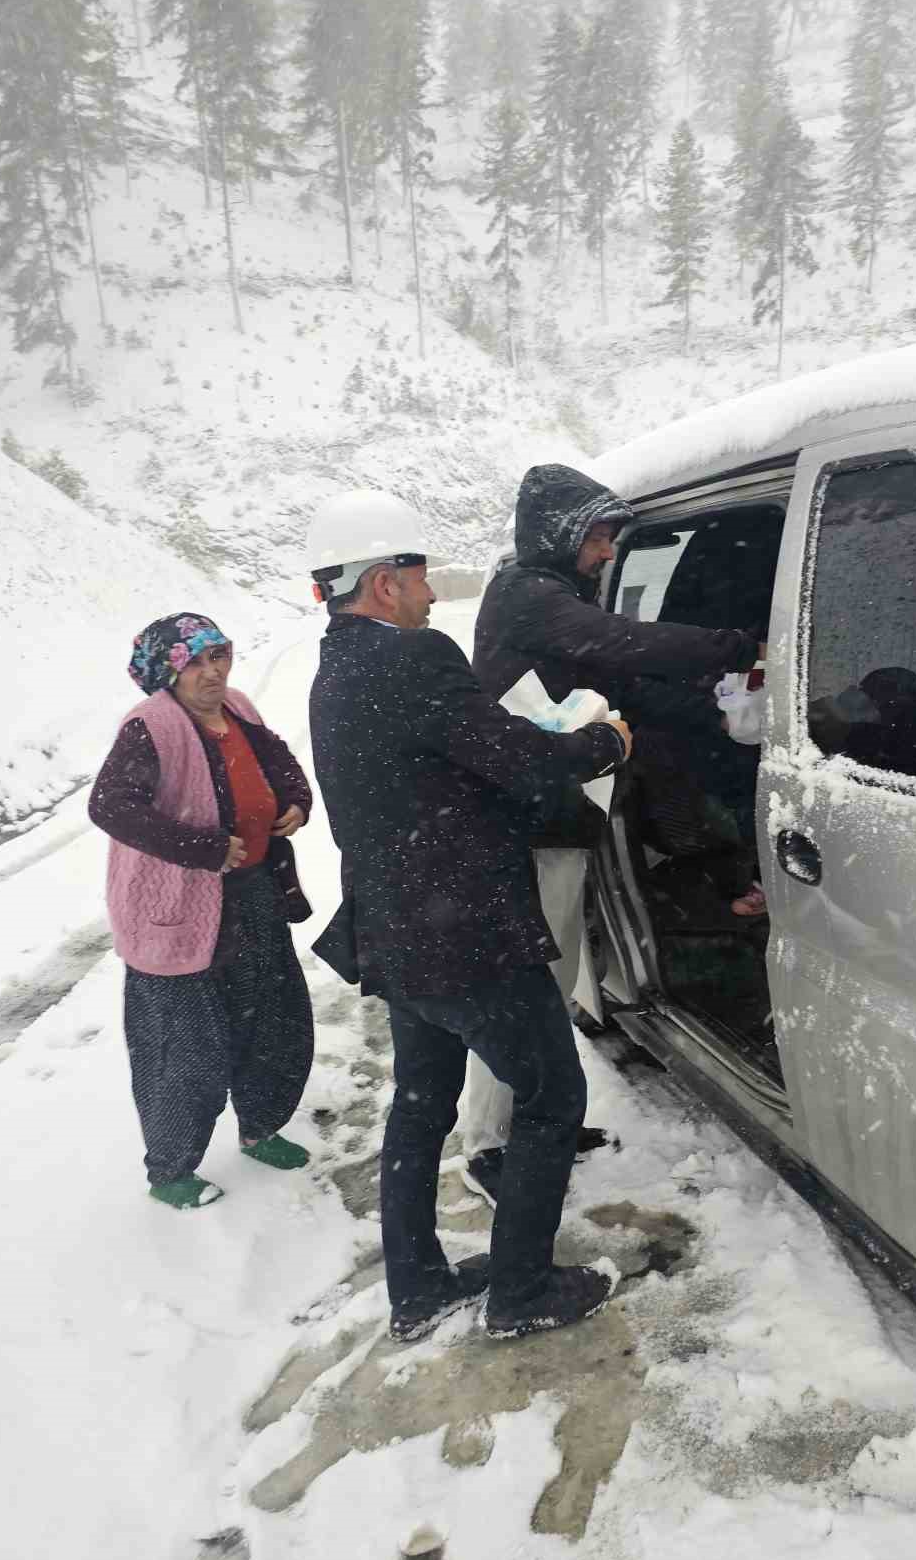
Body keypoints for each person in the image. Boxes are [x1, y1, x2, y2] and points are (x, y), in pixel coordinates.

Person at [306, 489, 633, 1343]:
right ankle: (521, 1293)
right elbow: (519, 761)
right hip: (464, 933)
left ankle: (415, 1288)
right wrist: (606, 742)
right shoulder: (414, 659)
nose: (427, 590)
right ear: (382, 583)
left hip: (397, 930)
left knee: (420, 1101)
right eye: (416, 574)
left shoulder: (333, 668)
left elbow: (441, 766)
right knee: (553, 1094)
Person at [463, 463, 766, 1203]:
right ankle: (486, 1146)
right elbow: (623, 644)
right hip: (525, 822)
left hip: (558, 813)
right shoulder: (526, 596)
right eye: (599, 538)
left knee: (554, 976)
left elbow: (627, 684)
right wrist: (737, 645)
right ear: (564, 534)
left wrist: (717, 716)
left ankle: (540, 1122)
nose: (606, 554)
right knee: (526, 984)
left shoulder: (553, 601)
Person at [89, 613, 315, 1210]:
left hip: (254, 894)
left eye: (219, 656)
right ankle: (170, 1169)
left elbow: (278, 761)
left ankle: (261, 1125)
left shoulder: (238, 706)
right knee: (182, 1044)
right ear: (168, 671)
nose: (212, 672)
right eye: (194, 662)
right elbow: (111, 807)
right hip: (178, 913)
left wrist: (295, 799)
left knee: (271, 1018)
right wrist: (205, 849)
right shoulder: (150, 728)